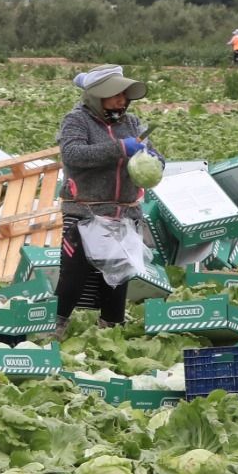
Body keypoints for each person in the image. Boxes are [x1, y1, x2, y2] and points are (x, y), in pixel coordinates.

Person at [56, 65, 157, 336]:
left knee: (117, 276)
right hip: (85, 211)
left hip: (124, 213)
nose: (122, 101)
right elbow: (73, 153)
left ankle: (110, 332)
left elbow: (150, 152)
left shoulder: (131, 123)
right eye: (115, 95)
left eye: (124, 95)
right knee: (74, 275)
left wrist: (154, 160)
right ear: (97, 96)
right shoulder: (77, 120)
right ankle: (54, 327)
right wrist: (120, 148)